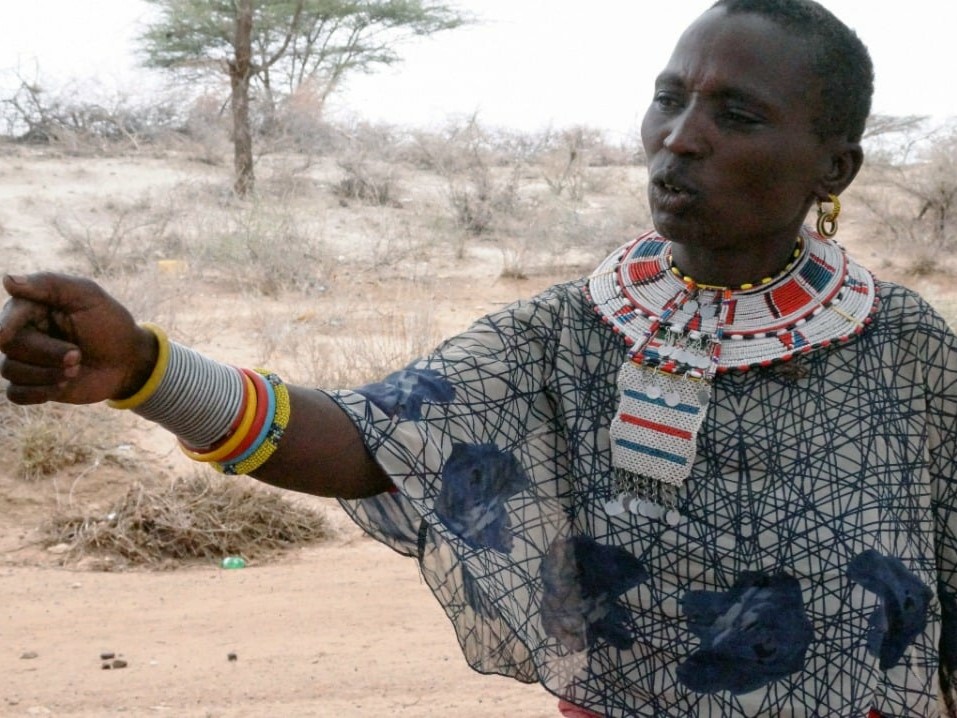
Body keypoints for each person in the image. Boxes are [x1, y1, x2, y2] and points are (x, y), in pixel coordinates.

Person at [1, 0, 955, 715]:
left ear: (834, 168)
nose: (678, 138)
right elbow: (372, 442)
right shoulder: (568, 332)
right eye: (668, 98)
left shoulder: (905, 351)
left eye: (736, 116)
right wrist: (142, 373)